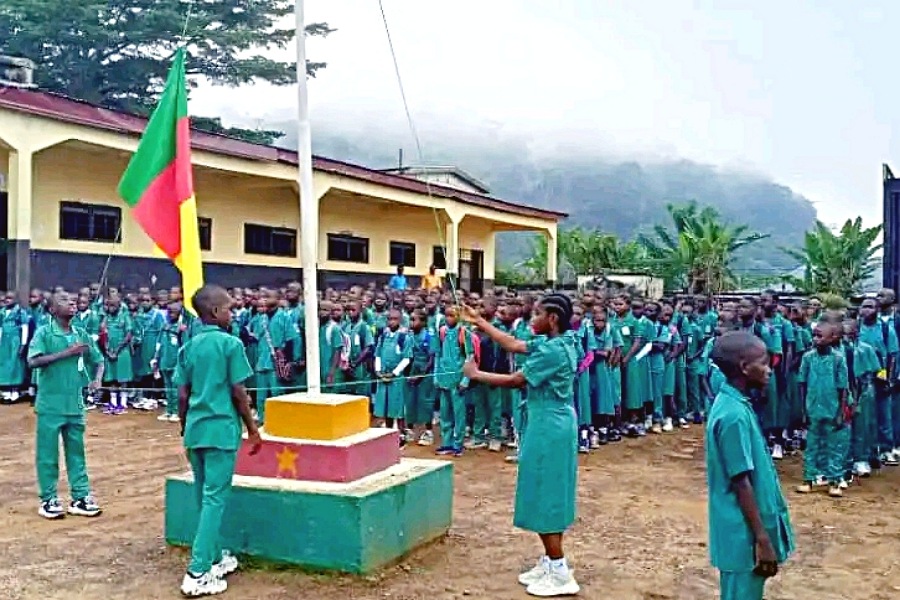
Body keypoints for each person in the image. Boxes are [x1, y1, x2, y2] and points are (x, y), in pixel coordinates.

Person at [461, 294, 580, 598]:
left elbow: (517, 380)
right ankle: (549, 561)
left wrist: (476, 375)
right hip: (548, 419)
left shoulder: (552, 352)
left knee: (546, 493)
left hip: (549, 425)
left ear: (552, 319)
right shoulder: (560, 341)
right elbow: (513, 344)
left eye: (537, 314)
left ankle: (560, 570)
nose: (530, 319)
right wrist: (481, 323)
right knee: (541, 489)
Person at [175, 284, 262, 597]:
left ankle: (214, 557)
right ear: (214, 312)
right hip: (221, 431)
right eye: (229, 308)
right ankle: (198, 571)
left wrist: (185, 426)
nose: (233, 313)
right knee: (214, 498)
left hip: (196, 431)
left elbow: (182, 394)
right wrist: (252, 429)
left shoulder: (190, 346)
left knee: (203, 495)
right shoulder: (230, 344)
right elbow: (238, 392)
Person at [706, 331, 794, 600]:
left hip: (744, 534)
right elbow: (740, 481)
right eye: (764, 363)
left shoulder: (737, 405)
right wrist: (762, 539)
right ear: (745, 368)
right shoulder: (733, 416)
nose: (769, 370)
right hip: (743, 537)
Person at [28, 291, 104, 520]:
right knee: (47, 455)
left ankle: (80, 497)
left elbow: (98, 360)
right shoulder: (44, 333)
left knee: (76, 453)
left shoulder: (81, 334)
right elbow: (33, 361)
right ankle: (48, 499)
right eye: (64, 300)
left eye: (73, 300)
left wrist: (97, 379)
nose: (72, 302)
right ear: (52, 310)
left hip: (75, 405)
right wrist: (67, 353)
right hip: (50, 406)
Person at [797, 321, 849, 497]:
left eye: (820, 336)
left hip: (832, 409)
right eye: (815, 335)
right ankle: (808, 478)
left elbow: (843, 387)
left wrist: (841, 411)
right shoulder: (807, 358)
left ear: (833, 338)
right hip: (812, 409)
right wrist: (803, 410)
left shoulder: (838, 359)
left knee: (833, 446)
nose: (815, 339)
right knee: (811, 445)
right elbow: (802, 384)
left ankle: (834, 480)